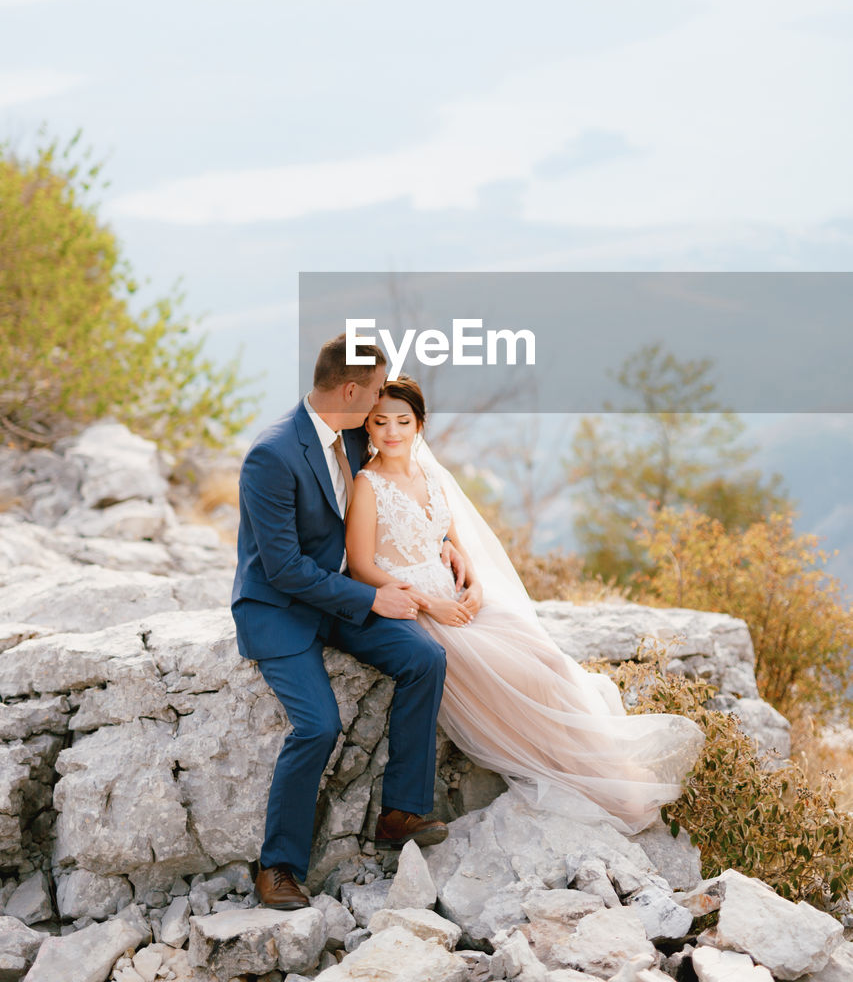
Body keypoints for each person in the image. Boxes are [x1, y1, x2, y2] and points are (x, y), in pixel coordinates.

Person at [345, 374, 706, 835]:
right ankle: (596, 783)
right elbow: (360, 566)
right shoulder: (367, 484)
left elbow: (450, 539)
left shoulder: (430, 475)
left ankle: (605, 767)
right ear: (368, 428)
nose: (392, 432)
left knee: (549, 660)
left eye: (402, 421)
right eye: (381, 423)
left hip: (456, 599)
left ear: (419, 425)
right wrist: (430, 604)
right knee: (522, 677)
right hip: (418, 608)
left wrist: (471, 580)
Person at [232, 336, 456, 912]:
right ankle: (277, 865)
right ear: (351, 390)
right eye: (376, 390)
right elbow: (282, 569)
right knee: (318, 725)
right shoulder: (272, 455)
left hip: (342, 599)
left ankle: (401, 811)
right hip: (279, 609)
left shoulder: (354, 435)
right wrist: (372, 599)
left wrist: (446, 546)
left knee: (424, 659)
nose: (382, 403)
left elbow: (404, 484)